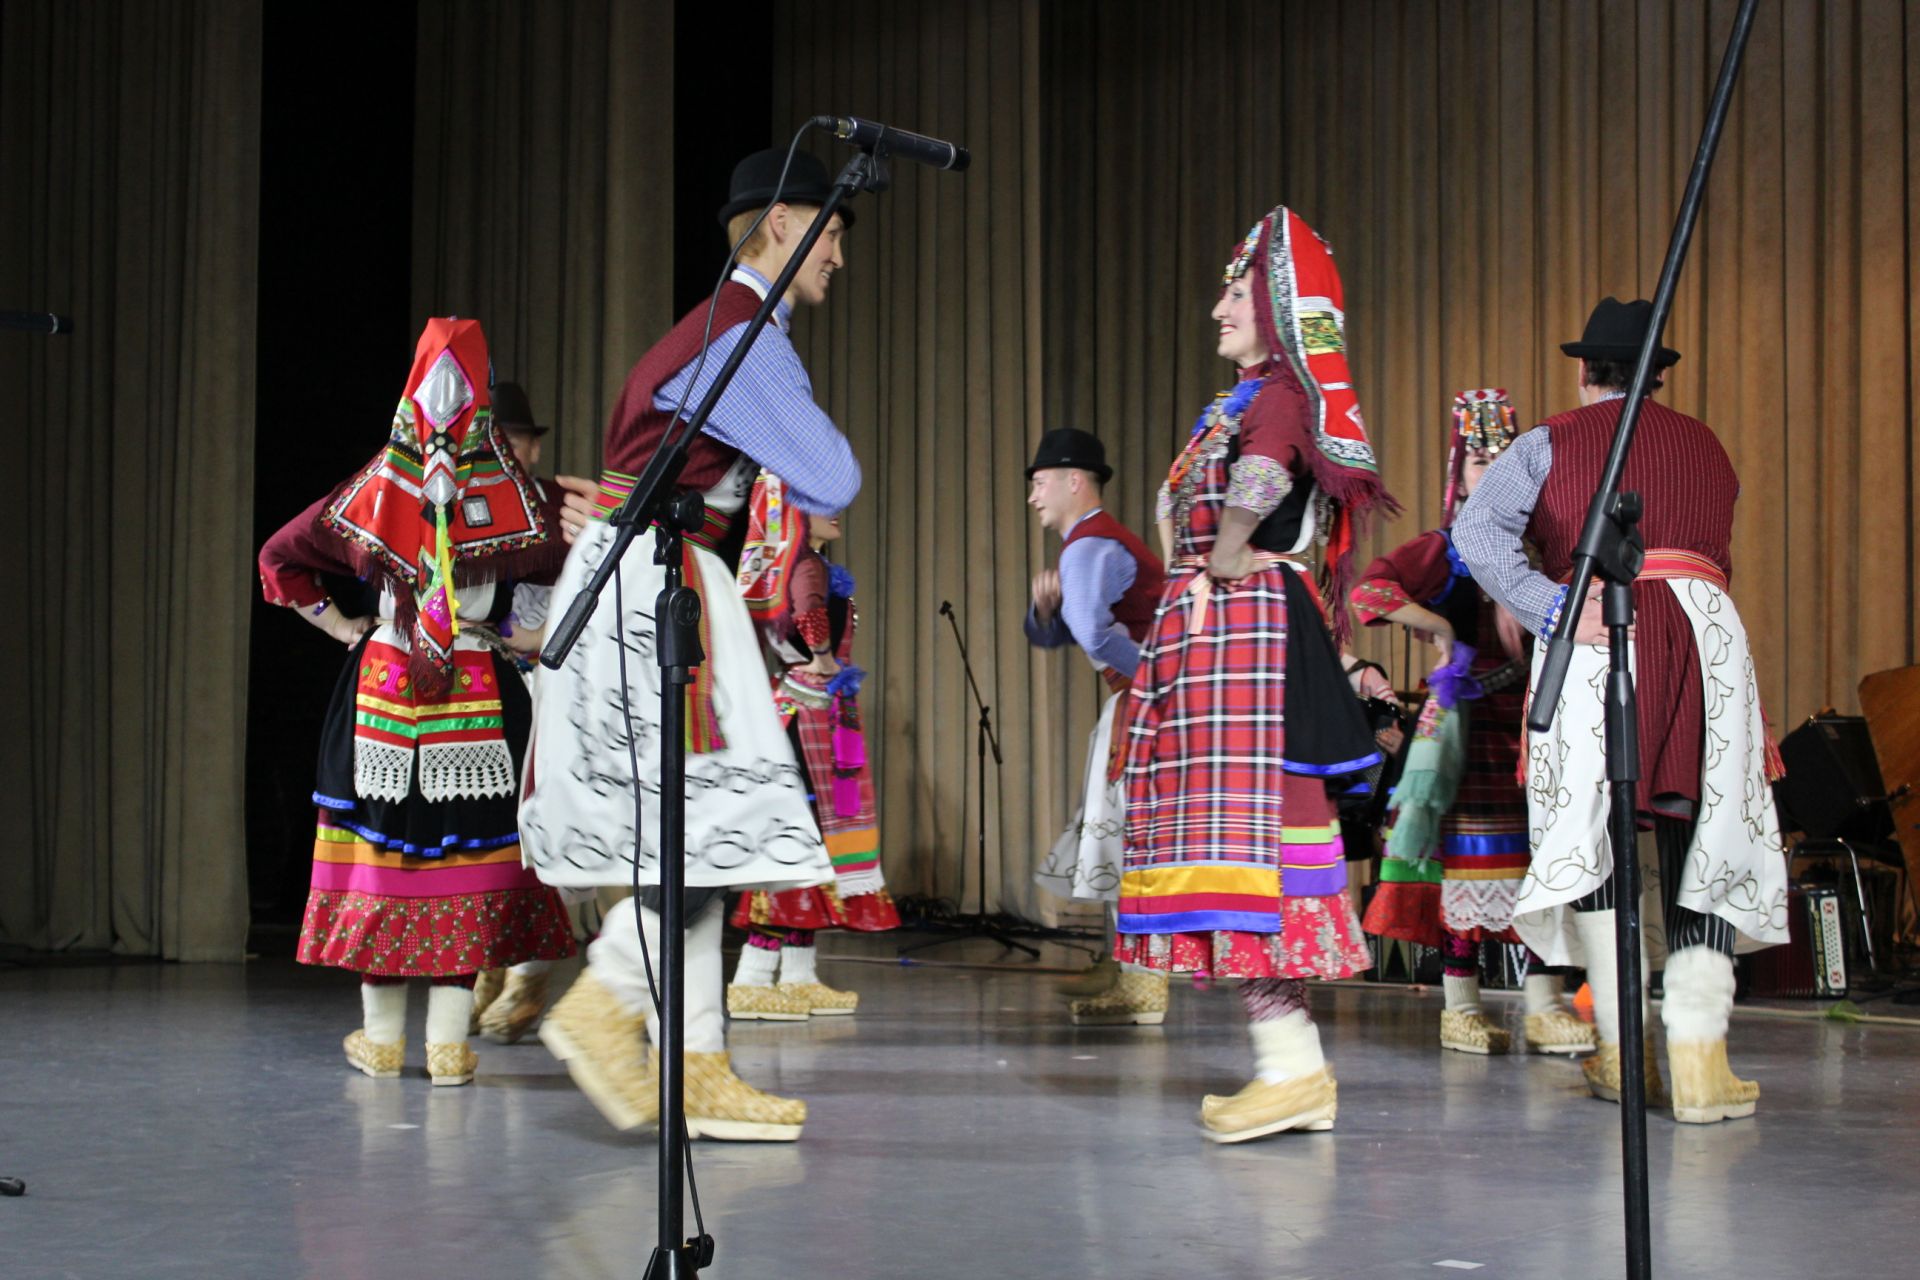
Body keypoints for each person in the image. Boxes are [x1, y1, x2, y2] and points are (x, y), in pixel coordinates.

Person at [519, 147, 861, 1141]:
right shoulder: (743, 334)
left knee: (704, 830)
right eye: (833, 232)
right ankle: (610, 990)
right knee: (710, 820)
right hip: (658, 582)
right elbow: (829, 474)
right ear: (785, 224)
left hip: (655, 563)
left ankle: (699, 1064)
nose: (841, 255)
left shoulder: (731, 330)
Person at [1453, 297, 1789, 1122]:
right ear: (1660, 376)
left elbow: (1477, 531)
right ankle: (1701, 1064)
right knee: (1700, 825)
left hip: (1606, 629)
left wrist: (1549, 605)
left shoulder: (1548, 442)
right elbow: (1717, 554)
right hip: (1707, 636)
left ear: (1583, 369)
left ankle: (1622, 1051)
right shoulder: (1706, 445)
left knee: (1595, 826)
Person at [1120, 206, 1393, 1143]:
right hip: (1214, 640)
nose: (1216, 311)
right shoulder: (1236, 403)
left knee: (1253, 851)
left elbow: (1267, 477)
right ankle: (1290, 1068)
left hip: (1245, 641)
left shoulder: (1277, 395)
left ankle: (1294, 1071)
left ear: (1277, 309)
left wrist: (1231, 551)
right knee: (1235, 851)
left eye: (1234, 295)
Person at [257, 320, 577, 1087]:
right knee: (462, 863)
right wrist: (531, 635)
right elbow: (580, 567)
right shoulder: (520, 498)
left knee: (382, 863)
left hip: (384, 690)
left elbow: (280, 556)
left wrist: (341, 626)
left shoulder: (376, 489)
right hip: (475, 693)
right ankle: (446, 1046)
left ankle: (381, 1040)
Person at [1351, 390, 1594, 1058]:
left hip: (1537, 718)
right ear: (1458, 472)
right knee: (1471, 866)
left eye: (1507, 458)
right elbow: (1370, 590)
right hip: (1470, 719)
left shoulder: (1544, 547)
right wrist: (1438, 631)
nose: (1494, 471)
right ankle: (1461, 1006)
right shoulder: (1449, 545)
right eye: (1482, 458)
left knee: (1551, 861)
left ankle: (1545, 1005)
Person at [725, 470, 899, 1018]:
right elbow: (805, 609)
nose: (836, 511)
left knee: (814, 846)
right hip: (809, 715)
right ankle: (753, 978)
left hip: (808, 712)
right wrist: (823, 656)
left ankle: (796, 975)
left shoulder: (805, 561)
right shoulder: (806, 563)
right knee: (799, 843)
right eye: (823, 502)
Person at [1021, 428, 1168, 1024]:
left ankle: (1144, 984)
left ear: (1072, 482)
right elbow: (1063, 631)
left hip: (1143, 703)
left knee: (1128, 834)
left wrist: (1157, 676)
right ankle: (1126, 967)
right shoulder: (1089, 545)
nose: (1033, 497)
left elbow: (1092, 632)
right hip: (1135, 701)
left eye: (1039, 484)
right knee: (1114, 832)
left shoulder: (1089, 547)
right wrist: (1045, 612)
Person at [463, 380, 569, 1044]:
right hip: (493, 688)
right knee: (495, 831)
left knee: (542, 828)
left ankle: (529, 971)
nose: (510, 454)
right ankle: (492, 959)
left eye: (517, 442)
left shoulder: (559, 507)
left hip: (555, 688)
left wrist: (542, 640)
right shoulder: (468, 509)